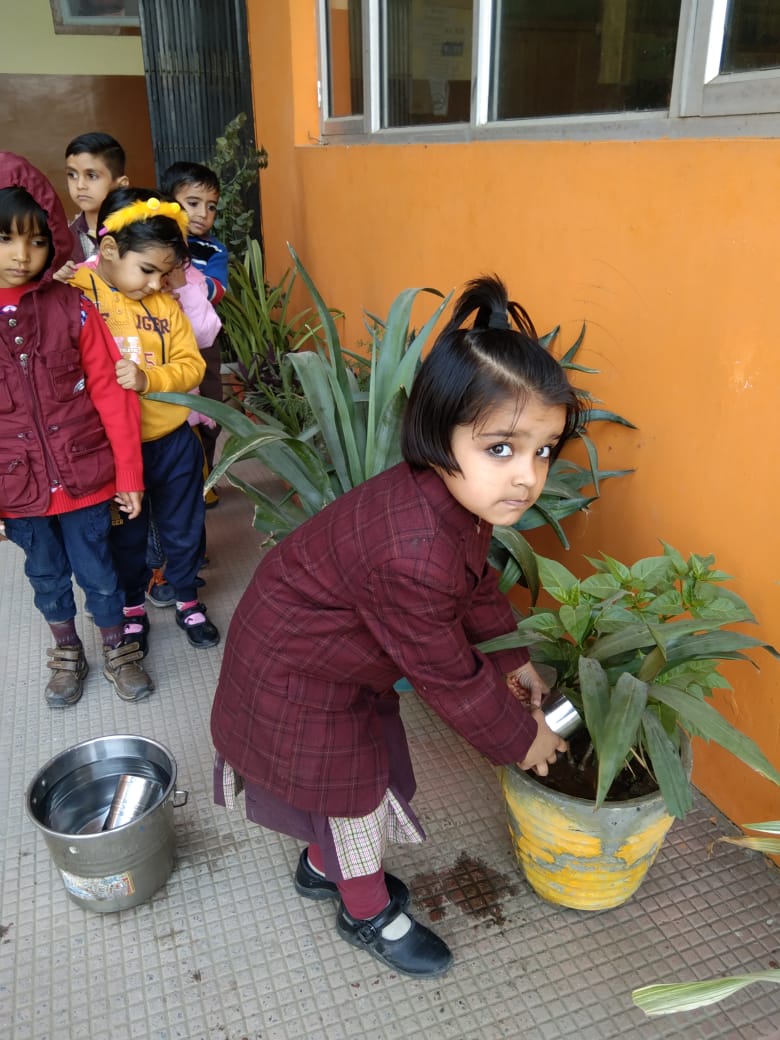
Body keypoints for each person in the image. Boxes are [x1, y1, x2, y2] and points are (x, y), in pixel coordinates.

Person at [210, 275, 585, 979]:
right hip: (297, 674)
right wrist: (520, 737)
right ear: (438, 432)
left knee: (366, 766)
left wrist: (516, 661)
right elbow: (445, 671)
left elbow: (475, 589)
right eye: (502, 448)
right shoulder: (415, 551)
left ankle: (324, 868)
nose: (527, 477)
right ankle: (364, 910)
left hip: (325, 655)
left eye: (544, 450)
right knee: (354, 792)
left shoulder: (449, 501)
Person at [0, 151, 152, 706]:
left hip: (86, 478)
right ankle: (67, 650)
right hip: (18, 489)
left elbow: (113, 391)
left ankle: (117, 646)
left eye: (36, 241)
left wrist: (129, 473)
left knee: (102, 573)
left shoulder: (74, 308)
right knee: (45, 578)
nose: (22, 255)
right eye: (7, 240)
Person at [70, 187, 221, 652]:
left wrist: (149, 378)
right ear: (110, 250)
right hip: (113, 450)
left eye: (165, 272)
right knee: (126, 533)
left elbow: (193, 366)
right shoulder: (78, 292)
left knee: (184, 525)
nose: (156, 283)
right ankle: (132, 605)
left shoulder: (166, 306)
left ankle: (186, 597)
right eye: (147, 270)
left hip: (172, 439)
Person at [159, 161, 228, 478]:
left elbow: (216, 290)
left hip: (202, 343)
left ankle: (206, 474)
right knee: (172, 408)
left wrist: (185, 278)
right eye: (193, 203)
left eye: (211, 206)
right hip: (164, 341)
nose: (203, 214)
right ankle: (178, 476)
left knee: (211, 407)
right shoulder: (155, 242)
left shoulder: (213, 250)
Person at [61, 132, 129, 271]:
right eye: (72, 175)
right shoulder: (63, 238)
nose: (80, 185)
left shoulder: (142, 229)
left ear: (121, 185)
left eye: (91, 176)